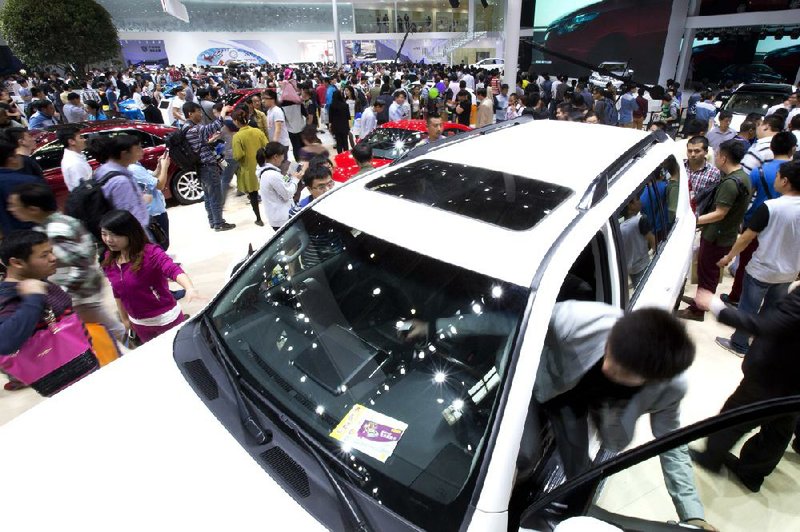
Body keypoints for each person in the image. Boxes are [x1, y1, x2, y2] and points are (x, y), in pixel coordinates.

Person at [531, 301, 712, 530]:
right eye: (610, 350)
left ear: (652, 378)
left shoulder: (670, 386)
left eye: (622, 369)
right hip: (547, 384)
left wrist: (692, 514)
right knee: (526, 454)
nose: (608, 367)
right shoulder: (579, 318)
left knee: (580, 479)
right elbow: (513, 320)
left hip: (577, 408)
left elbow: (671, 444)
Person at [691, 284, 800, 493]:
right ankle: (753, 473)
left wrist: (717, 307)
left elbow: (769, 326)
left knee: (732, 418)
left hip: (774, 375)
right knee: (779, 430)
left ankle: (710, 458)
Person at [7, 183, 125, 341]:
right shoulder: (60, 221)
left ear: (33, 209)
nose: (11, 210)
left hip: (79, 295)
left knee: (107, 328)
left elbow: (81, 264)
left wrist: (63, 293)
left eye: (15, 206)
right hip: (82, 291)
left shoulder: (55, 230)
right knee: (102, 326)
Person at [713, 160, 800, 356]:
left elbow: (746, 237)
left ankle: (739, 344)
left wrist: (728, 257)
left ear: (785, 181)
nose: (775, 179)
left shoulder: (771, 207)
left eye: (778, 176)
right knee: (771, 311)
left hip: (762, 270)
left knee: (747, 309)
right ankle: (761, 345)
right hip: (788, 272)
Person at [0, 230, 99, 396]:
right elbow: (4, 342)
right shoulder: (10, 296)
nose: (53, 258)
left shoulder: (37, 280)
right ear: (17, 263)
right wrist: (33, 298)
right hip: (65, 379)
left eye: (51, 252)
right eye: (44, 255)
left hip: (82, 359)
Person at [678, 140, 752, 321]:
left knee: (707, 273)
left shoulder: (729, 183)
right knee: (707, 272)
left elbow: (719, 214)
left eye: (718, 154)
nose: (716, 158)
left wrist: (692, 221)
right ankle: (699, 301)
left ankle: (698, 310)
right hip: (724, 234)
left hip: (717, 236)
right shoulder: (743, 177)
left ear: (724, 158)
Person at [99, 210, 198, 344]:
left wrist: (189, 288)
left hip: (165, 320)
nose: (108, 240)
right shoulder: (109, 259)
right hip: (139, 324)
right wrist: (125, 320)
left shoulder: (150, 253)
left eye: (115, 235)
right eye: (104, 234)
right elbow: (117, 292)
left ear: (130, 233)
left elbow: (172, 269)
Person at [722, 132, 797, 307]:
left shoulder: (760, 170)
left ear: (771, 148)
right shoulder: (795, 172)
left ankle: (736, 296)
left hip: (756, 221)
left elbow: (746, 197)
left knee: (746, 263)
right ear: (793, 149)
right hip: (788, 229)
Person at [183, 101, 235, 232]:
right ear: (190, 113)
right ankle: (219, 223)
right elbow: (215, 125)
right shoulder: (195, 129)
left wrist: (210, 141)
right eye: (198, 112)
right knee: (215, 195)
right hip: (208, 166)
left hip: (200, 166)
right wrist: (223, 112)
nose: (200, 114)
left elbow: (198, 145)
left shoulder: (185, 128)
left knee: (207, 195)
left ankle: (213, 221)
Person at [88, 135, 151, 238]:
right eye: (138, 148)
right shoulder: (120, 182)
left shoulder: (103, 170)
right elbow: (131, 217)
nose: (142, 151)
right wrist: (145, 243)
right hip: (135, 237)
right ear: (124, 153)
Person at [231, 109, 268, 227]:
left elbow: (238, 155)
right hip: (263, 166)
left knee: (253, 195)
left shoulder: (237, 136)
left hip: (248, 169)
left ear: (236, 121)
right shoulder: (257, 131)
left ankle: (258, 218)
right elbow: (266, 145)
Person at [129, 152, 172, 251]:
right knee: (161, 244)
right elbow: (160, 185)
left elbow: (151, 177)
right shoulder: (133, 169)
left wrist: (160, 167)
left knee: (160, 243)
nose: (141, 150)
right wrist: (165, 167)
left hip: (152, 210)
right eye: (138, 148)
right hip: (153, 212)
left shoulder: (136, 165)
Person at [0, 140, 42, 237]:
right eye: (17, 154)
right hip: (34, 235)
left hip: (9, 240)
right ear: (11, 159)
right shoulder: (29, 181)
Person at [258, 142, 300, 231]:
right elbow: (287, 194)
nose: (283, 158)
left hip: (276, 216)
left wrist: (289, 175)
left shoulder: (263, 170)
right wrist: (295, 179)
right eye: (282, 155)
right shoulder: (272, 175)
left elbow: (279, 185)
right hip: (282, 218)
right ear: (275, 157)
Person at [684, 136, 721, 203]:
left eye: (697, 151)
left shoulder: (714, 173)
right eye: (689, 151)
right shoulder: (679, 166)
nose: (692, 154)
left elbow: (712, 199)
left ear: (706, 152)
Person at [58, 125, 92, 191]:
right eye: (81, 137)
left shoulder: (76, 156)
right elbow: (85, 189)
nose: (84, 140)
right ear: (71, 141)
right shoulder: (74, 164)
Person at [329, 90, 351, 154]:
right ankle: (346, 156)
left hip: (336, 126)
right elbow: (348, 116)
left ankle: (340, 156)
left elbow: (330, 118)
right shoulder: (345, 105)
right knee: (345, 141)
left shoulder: (332, 106)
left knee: (338, 142)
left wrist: (330, 126)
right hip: (344, 125)